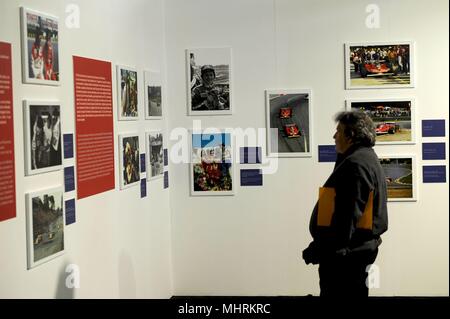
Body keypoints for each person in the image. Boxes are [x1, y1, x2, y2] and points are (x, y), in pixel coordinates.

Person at [302, 110, 388, 298]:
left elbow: (347, 217)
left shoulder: (357, 164)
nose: (334, 136)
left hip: (345, 261)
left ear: (351, 136)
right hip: (350, 256)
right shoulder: (363, 158)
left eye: (338, 131)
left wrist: (323, 250)